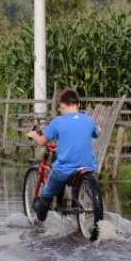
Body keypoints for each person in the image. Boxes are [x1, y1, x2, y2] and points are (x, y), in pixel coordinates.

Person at [26, 88, 99, 221]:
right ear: (78, 105)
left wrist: (33, 134)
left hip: (65, 170)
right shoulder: (89, 120)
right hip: (88, 167)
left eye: (60, 108)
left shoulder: (58, 121)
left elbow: (42, 141)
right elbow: (97, 133)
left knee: (46, 194)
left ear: (63, 105)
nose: (60, 111)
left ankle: (41, 213)